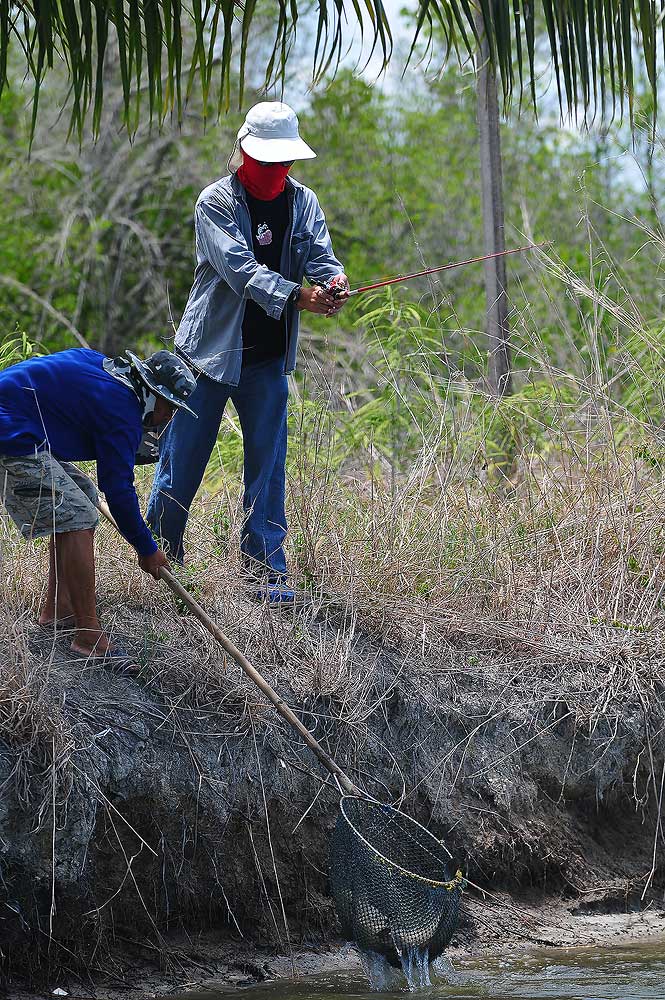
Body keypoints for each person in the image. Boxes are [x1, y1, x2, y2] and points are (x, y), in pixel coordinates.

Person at [147, 101, 349, 603]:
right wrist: (301, 296)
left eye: (284, 162)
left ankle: (265, 570)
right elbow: (240, 270)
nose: (275, 171)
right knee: (183, 460)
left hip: (267, 359)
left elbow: (321, 254)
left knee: (268, 463)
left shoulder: (304, 202)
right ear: (242, 153)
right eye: (265, 160)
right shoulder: (214, 202)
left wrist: (332, 280)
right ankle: (160, 556)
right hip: (209, 355)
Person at [0, 347, 198, 668]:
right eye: (168, 407)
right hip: (11, 431)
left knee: (83, 494)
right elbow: (118, 490)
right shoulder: (121, 408)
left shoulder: (109, 373)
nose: (168, 416)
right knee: (77, 516)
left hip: (22, 423)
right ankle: (88, 635)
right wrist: (146, 549)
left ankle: (58, 609)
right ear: (151, 393)